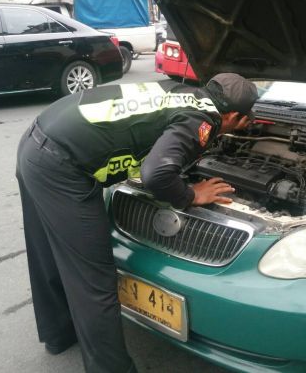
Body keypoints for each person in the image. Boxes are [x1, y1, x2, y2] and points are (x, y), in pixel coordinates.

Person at [15, 73, 257, 373]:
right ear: (232, 116)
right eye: (244, 121)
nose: (244, 125)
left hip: (40, 137)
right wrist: (191, 194)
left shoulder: (181, 92)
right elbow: (156, 175)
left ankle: (58, 333)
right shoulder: (202, 119)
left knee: (46, 250)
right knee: (94, 282)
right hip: (61, 166)